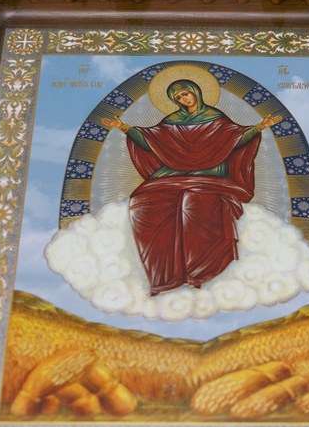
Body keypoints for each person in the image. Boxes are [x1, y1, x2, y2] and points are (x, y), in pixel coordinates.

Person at [101, 79, 283, 295]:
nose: (183, 99)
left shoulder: (215, 118)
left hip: (210, 173)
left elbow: (237, 139)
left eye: (185, 94)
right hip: (173, 173)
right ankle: (164, 276)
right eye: (178, 97)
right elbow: (149, 141)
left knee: (192, 203)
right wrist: (123, 127)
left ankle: (198, 271)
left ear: (195, 92)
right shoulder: (172, 121)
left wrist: (260, 126)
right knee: (143, 204)